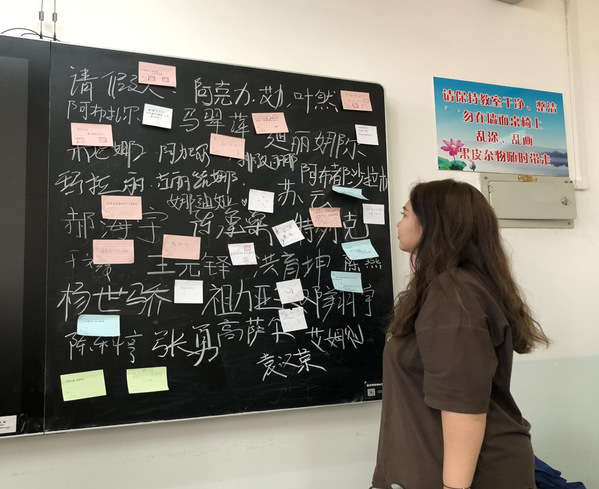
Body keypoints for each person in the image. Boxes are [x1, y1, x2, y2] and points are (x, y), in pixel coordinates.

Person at [371, 179, 550, 489]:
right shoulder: (449, 288)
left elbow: (463, 407)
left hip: (475, 477)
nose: (398, 224)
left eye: (405, 214)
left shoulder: (452, 295)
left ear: (432, 225)